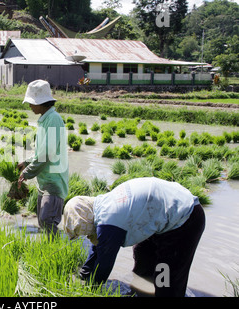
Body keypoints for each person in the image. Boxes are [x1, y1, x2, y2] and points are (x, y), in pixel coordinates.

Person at [62, 177, 205, 297]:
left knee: (165, 274)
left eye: (84, 231)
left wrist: (90, 290)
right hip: (159, 214)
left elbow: (105, 263)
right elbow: (98, 248)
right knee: (142, 257)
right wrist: (84, 273)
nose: (87, 235)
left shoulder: (108, 222)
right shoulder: (101, 206)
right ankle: (140, 291)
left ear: (85, 219)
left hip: (184, 217)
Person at [17, 79, 69, 237]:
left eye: (32, 103)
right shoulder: (45, 120)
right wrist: (26, 162)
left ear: (41, 102)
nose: (30, 106)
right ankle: (48, 251)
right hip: (45, 180)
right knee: (42, 221)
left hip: (54, 182)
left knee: (47, 220)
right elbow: (41, 151)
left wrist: (27, 172)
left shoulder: (53, 119)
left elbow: (47, 153)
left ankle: (55, 254)